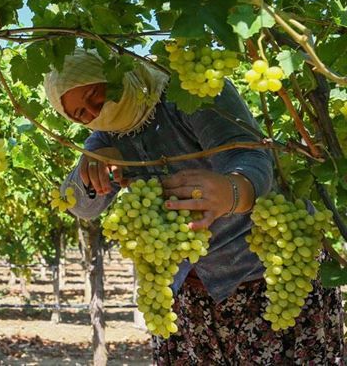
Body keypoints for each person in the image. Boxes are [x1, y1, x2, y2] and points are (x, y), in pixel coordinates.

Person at [45, 47, 345, 364]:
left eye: (94, 94)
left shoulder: (189, 91)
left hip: (271, 279)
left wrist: (233, 190)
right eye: (80, 114)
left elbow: (250, 157)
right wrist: (92, 168)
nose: (95, 112)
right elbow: (79, 204)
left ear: (114, 73)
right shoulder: (107, 137)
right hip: (190, 299)